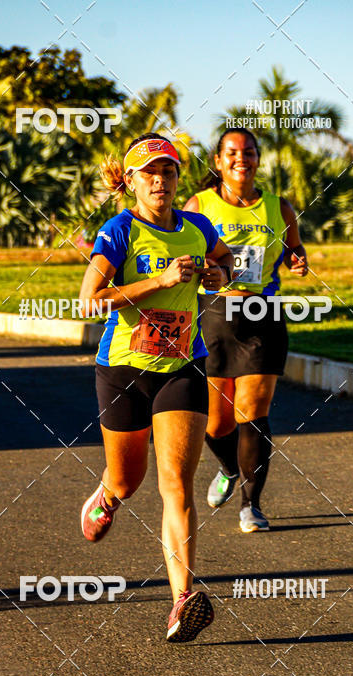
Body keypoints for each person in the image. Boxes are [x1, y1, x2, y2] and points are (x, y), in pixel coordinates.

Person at [79, 133, 235, 642]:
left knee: (176, 484)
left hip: (183, 368)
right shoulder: (120, 230)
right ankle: (107, 495)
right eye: (148, 173)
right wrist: (159, 282)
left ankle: (181, 600)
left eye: (167, 172)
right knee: (129, 479)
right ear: (130, 182)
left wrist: (216, 273)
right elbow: (92, 299)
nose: (159, 180)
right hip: (124, 371)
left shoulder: (196, 227)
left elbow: (225, 262)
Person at [184, 127, 308, 533]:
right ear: (218, 162)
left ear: (258, 159)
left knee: (253, 414)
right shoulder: (199, 206)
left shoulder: (279, 207)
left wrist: (297, 261)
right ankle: (227, 467)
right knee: (217, 424)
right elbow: (178, 251)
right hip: (213, 318)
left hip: (262, 317)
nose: (242, 159)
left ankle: (250, 506)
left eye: (249, 152)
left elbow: (293, 248)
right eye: (232, 153)